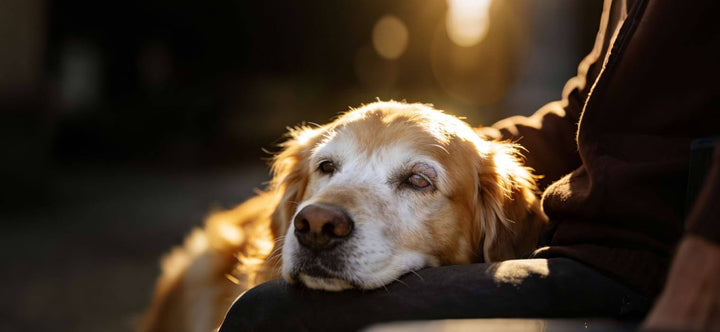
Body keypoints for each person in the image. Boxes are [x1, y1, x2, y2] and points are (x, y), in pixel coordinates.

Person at [220, 0, 720, 330]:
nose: (320, 221)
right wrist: (444, 150)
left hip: (647, 263)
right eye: (328, 169)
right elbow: (589, 113)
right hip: (591, 248)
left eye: (416, 182)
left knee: (267, 318)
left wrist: (704, 262)